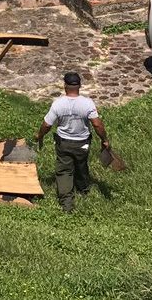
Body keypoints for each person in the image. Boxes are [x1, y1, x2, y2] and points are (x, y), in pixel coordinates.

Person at [36, 71, 111, 213]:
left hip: (64, 143)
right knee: (81, 164)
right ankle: (84, 190)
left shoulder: (58, 104)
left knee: (64, 170)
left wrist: (40, 136)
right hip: (82, 143)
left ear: (65, 86)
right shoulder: (87, 103)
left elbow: (47, 125)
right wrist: (104, 140)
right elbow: (97, 124)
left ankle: (67, 204)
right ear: (79, 86)